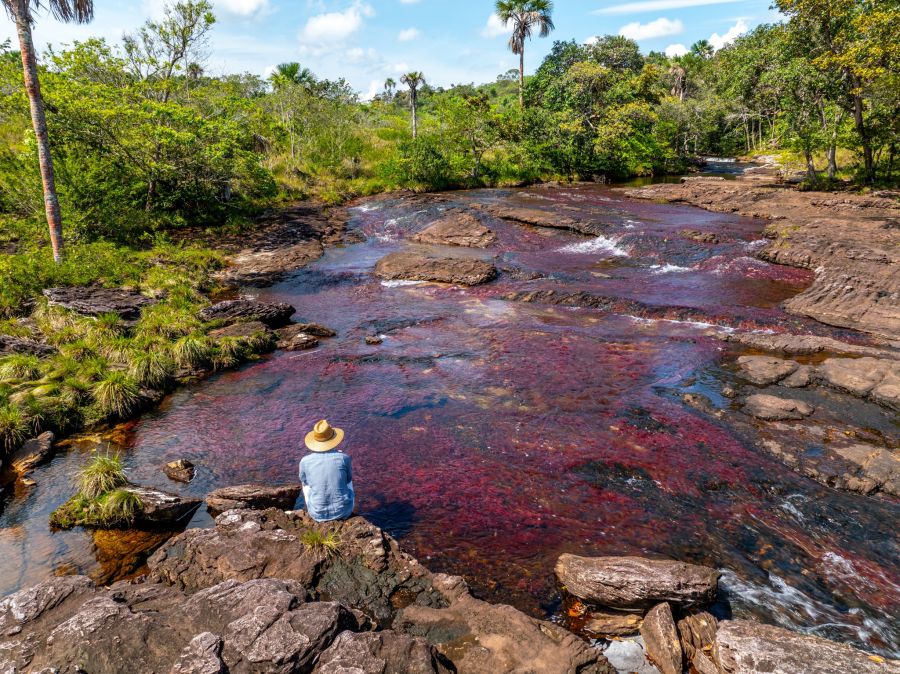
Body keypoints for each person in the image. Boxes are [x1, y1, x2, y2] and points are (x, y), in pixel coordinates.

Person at [299, 419, 355, 522]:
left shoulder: (305, 461)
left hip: (317, 515)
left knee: (305, 483)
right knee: (348, 479)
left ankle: (316, 506)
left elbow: (305, 482)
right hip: (344, 512)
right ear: (333, 439)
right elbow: (348, 480)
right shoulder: (344, 458)